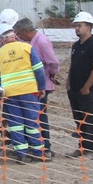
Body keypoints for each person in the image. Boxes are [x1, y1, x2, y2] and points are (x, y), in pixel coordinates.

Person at [0, 23, 47, 163]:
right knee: (32, 122)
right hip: (29, 91)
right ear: (14, 35)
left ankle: (21, 154)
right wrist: (41, 87)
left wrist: (1, 89)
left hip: (9, 94)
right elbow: (39, 70)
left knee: (16, 124)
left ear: (1, 40)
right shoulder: (27, 48)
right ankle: (38, 153)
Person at [14, 17, 60, 156]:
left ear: (27, 31)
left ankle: (45, 147)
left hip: (42, 85)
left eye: (19, 34)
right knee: (31, 117)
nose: (18, 37)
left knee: (39, 117)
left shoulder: (41, 42)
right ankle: (34, 145)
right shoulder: (29, 42)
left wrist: (50, 75)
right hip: (32, 86)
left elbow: (53, 63)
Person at [66, 11, 93, 159]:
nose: (76, 28)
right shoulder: (76, 46)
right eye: (76, 26)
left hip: (88, 91)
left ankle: (91, 149)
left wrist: (87, 87)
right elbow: (73, 65)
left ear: (88, 27)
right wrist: (69, 83)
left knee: (90, 120)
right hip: (74, 90)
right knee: (79, 120)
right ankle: (82, 147)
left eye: (79, 26)